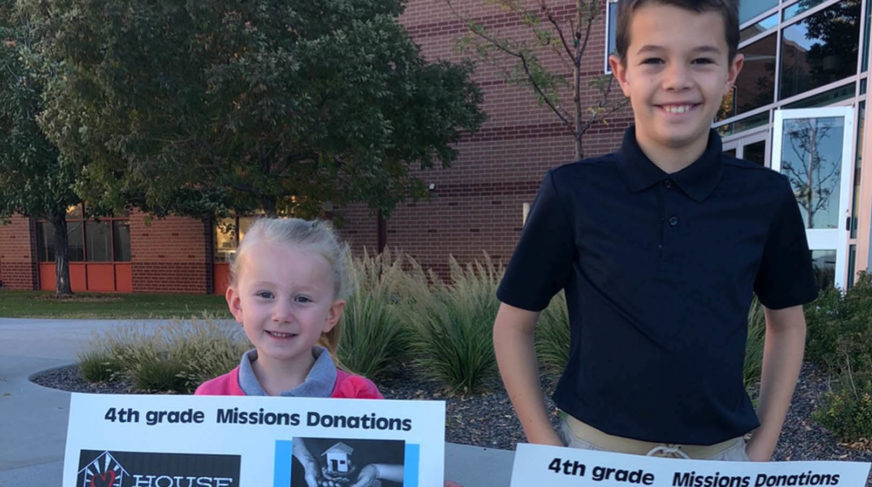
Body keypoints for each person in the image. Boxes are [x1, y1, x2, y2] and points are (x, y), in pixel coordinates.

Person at [493, 0, 818, 463]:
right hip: (593, 458)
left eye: (702, 60)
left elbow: (787, 326)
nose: (677, 80)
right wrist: (549, 449)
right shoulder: (572, 192)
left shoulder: (765, 198)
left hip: (721, 460)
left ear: (732, 71)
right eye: (654, 60)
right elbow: (512, 326)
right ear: (622, 72)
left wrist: (760, 451)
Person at [195, 218, 460, 487]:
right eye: (265, 294)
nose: (282, 314)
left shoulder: (360, 396)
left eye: (302, 299)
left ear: (330, 315)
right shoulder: (209, 400)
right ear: (238, 304)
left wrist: (427, 480)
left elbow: (403, 465)